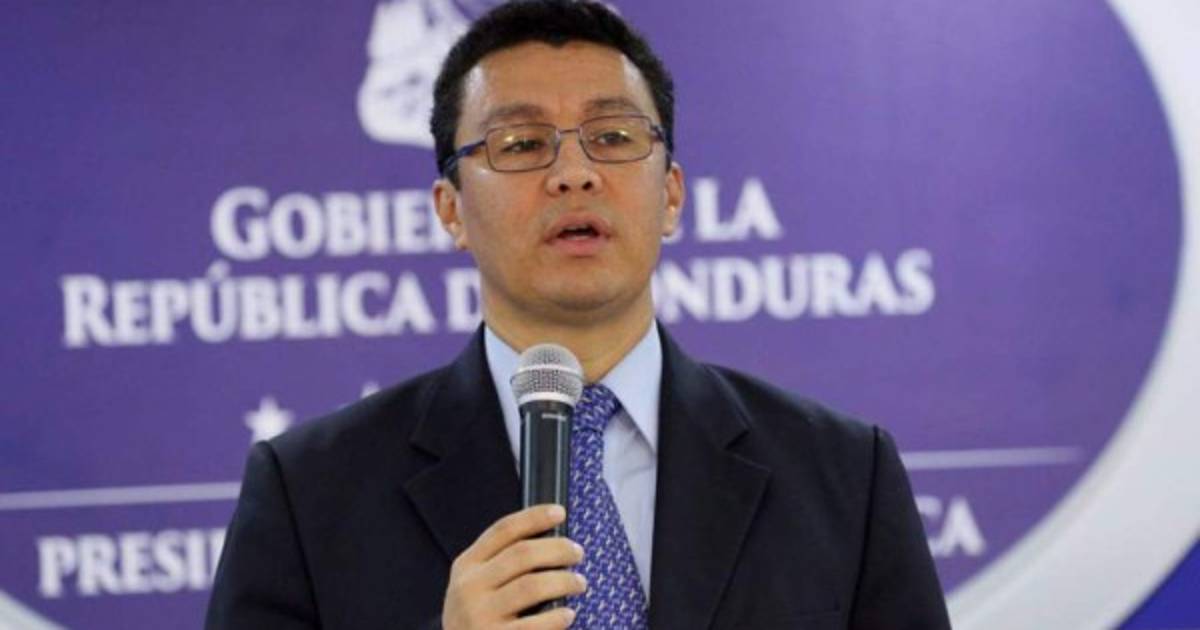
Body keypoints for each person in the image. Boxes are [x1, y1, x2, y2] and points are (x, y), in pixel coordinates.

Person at [206, 1, 951, 628]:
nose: (573, 173)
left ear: (671, 195)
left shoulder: (843, 476)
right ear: (451, 210)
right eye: (522, 143)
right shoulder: (310, 493)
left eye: (614, 137)